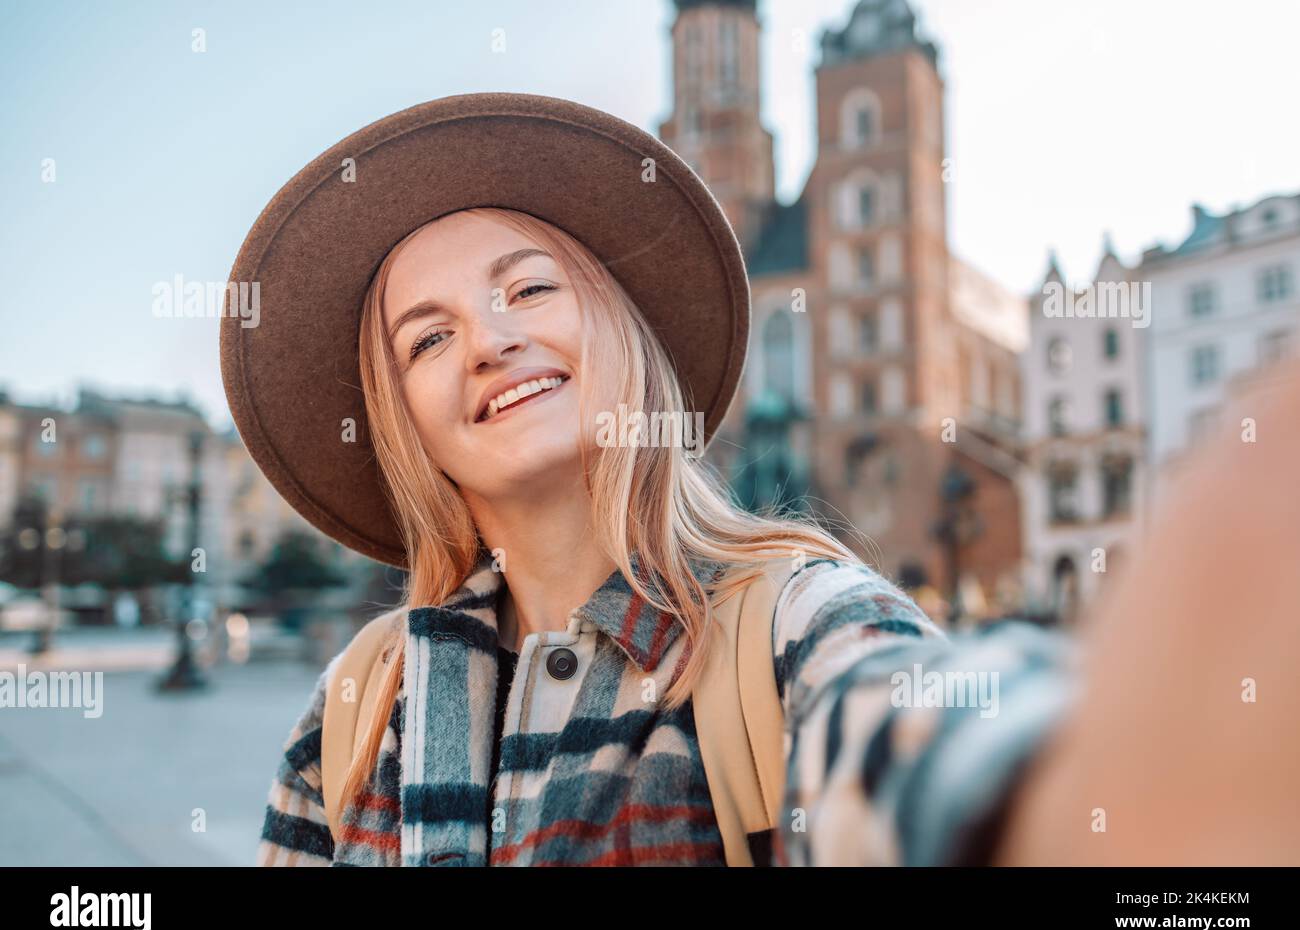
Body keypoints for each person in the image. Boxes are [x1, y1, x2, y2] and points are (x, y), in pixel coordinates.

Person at [224, 93, 1298, 867]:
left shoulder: (790, 630)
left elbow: (922, 742)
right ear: (407, 420)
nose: (489, 340)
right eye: (426, 338)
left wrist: (1102, 783)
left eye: (530, 287)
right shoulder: (361, 705)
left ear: (624, 332)